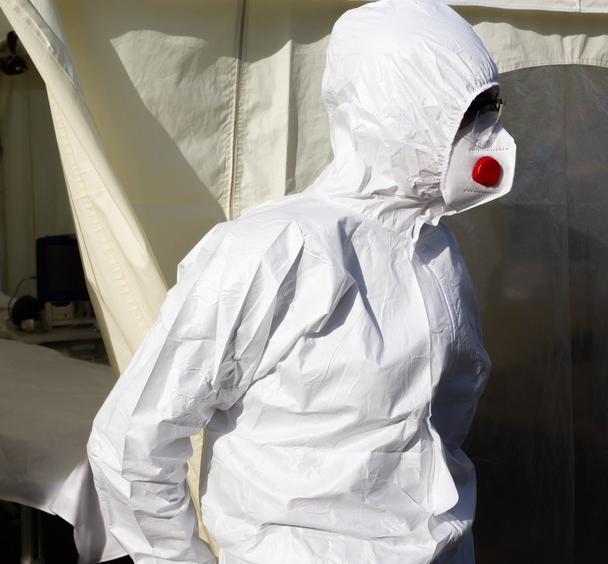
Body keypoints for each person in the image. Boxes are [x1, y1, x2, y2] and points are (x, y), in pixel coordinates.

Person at [87, 0, 516, 561]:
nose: (488, 135)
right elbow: (132, 440)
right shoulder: (274, 248)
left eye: (491, 108)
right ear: (398, 110)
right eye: (469, 112)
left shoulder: (434, 249)